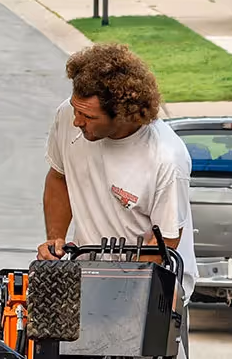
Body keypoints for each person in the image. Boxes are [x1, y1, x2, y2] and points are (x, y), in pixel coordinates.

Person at [38, 43, 194, 296]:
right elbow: (59, 178)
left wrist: (118, 295)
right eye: (76, 110)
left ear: (123, 114)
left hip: (151, 288)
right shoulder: (68, 115)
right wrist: (55, 239)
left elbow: (163, 243)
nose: (77, 121)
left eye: (88, 117)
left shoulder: (166, 158)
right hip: (86, 276)